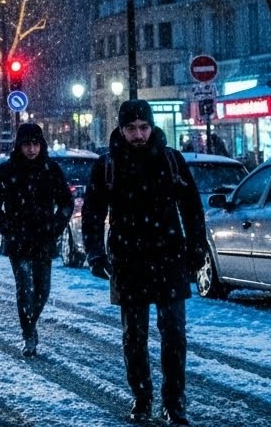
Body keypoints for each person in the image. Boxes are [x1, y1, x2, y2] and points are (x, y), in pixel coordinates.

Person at [82, 99, 206, 426]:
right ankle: (142, 397)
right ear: (121, 130)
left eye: (144, 127)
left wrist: (196, 247)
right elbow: (92, 214)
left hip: (167, 257)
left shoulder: (170, 161)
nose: (139, 134)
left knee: (174, 335)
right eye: (132, 128)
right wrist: (94, 252)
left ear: (151, 127)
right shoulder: (108, 165)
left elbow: (192, 208)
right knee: (133, 336)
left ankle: (174, 402)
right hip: (128, 259)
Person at [0, 123, 73, 358]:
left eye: (35, 144)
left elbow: (66, 202)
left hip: (43, 238)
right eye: (27, 145)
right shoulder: (7, 170)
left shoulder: (50, 169)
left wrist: (55, 227)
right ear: (19, 146)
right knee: (25, 288)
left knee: (42, 290)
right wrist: (7, 228)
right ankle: (28, 333)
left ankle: (30, 324)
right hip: (19, 239)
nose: (31, 149)